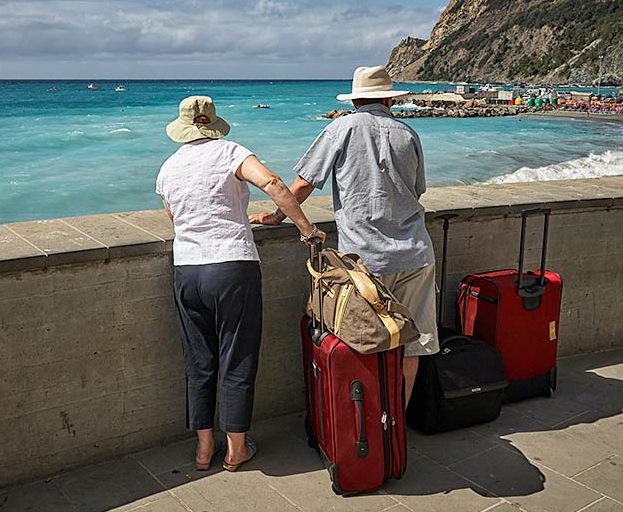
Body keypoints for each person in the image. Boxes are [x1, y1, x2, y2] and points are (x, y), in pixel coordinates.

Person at [156, 95, 325, 473]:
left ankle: (203, 449)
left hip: (187, 270)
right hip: (232, 266)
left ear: (182, 128)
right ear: (213, 124)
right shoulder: (231, 152)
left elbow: (175, 218)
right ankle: (235, 449)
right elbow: (273, 183)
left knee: (198, 361)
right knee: (237, 356)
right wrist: (307, 229)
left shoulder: (168, 168)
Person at [251, 66, 438, 406]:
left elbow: (304, 182)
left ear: (354, 101)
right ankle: (396, 425)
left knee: (366, 342)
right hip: (416, 254)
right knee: (416, 343)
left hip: (366, 261)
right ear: (389, 99)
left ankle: (369, 428)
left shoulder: (341, 128)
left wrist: (277, 215)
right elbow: (417, 191)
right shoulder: (407, 133)